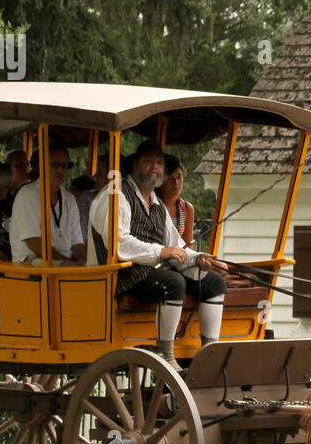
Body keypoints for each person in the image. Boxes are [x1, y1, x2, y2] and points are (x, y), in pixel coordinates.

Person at [88, 140, 226, 370]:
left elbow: (176, 245)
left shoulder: (157, 204)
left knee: (214, 282)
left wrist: (199, 258)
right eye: (148, 162)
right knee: (173, 282)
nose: (155, 167)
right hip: (118, 278)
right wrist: (161, 252)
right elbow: (118, 244)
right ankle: (166, 354)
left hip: (148, 273)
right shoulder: (116, 196)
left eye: (159, 163)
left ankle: (209, 352)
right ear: (135, 165)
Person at [9, 139, 85, 265]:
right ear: (41, 166)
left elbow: (77, 241)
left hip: (62, 260)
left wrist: (84, 261)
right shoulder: (28, 195)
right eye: (55, 165)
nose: (61, 170)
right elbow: (34, 243)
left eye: (66, 165)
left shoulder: (69, 199)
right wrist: (68, 263)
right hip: (30, 262)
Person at [159, 154, 195, 247]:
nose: (176, 183)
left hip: (178, 259)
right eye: (170, 179)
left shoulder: (187, 208)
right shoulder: (153, 203)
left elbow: (188, 246)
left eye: (179, 177)